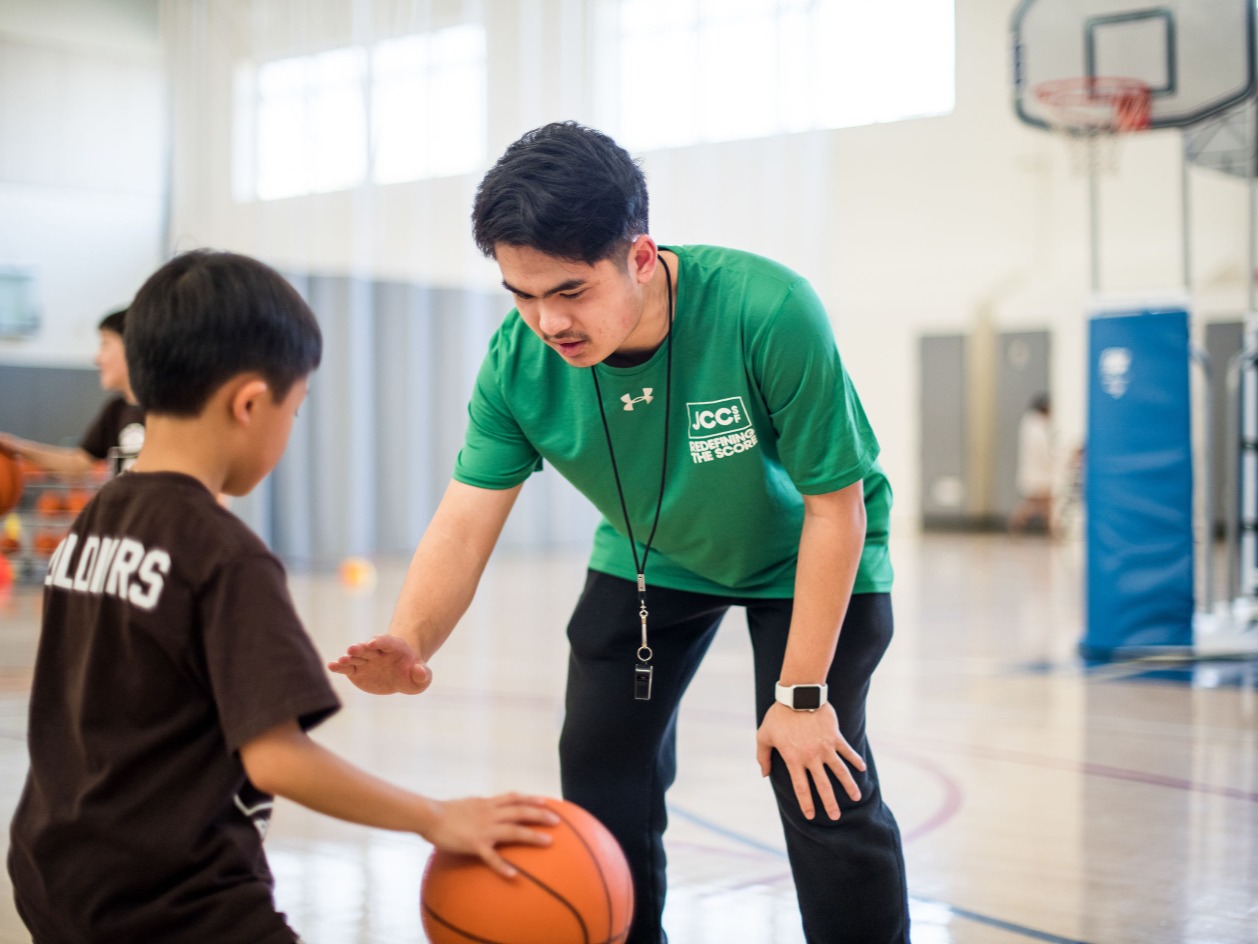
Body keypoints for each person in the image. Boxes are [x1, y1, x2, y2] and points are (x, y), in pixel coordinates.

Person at [331, 122, 909, 943]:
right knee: (602, 777)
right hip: (652, 554)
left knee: (818, 780)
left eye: (569, 292)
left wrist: (802, 695)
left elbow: (834, 506)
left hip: (809, 555)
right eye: (522, 295)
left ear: (639, 257)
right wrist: (410, 637)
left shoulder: (767, 309)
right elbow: (465, 519)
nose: (547, 322)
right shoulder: (517, 364)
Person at [7, 249, 557, 944]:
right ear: (249, 403)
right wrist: (435, 816)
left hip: (55, 874)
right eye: (295, 410)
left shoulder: (96, 520)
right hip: (179, 905)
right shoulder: (223, 556)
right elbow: (277, 759)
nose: (290, 429)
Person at [0, 308, 146, 477]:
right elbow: (79, 463)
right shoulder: (116, 410)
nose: (97, 358)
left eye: (105, 344)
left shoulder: (165, 412)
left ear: (133, 348)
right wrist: (17, 446)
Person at [1009, 392, 1055, 535]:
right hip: (1038, 472)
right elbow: (1043, 451)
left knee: (1039, 504)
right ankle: (1053, 532)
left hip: (1036, 471)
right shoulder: (1037, 427)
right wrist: (1052, 461)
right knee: (1042, 504)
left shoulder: (1031, 424)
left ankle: (1052, 531)